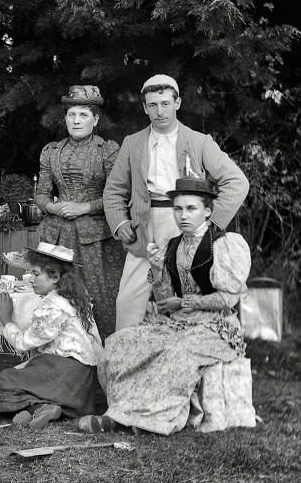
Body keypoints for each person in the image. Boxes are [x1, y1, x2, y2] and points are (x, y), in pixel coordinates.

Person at [80, 178, 253, 435]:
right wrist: (158, 270)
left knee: (173, 351)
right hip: (179, 323)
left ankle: (153, 419)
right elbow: (165, 301)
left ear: (208, 210)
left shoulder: (224, 244)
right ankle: (117, 413)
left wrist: (185, 302)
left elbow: (228, 299)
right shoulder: (173, 244)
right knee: (123, 340)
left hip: (218, 328)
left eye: (191, 209)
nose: (183, 216)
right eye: (178, 209)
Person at [103, 74, 248, 331]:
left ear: (177, 103)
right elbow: (114, 190)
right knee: (128, 301)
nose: (160, 111)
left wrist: (210, 223)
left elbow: (237, 182)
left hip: (183, 224)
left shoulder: (198, 141)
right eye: (153, 105)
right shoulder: (132, 143)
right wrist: (120, 222)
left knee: (179, 298)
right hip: (144, 227)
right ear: (145, 107)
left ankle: (177, 358)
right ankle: (123, 364)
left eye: (166, 103)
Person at [0, 243, 103, 431]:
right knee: (26, 379)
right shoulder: (78, 298)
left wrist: (6, 319)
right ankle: (43, 407)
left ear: (54, 277)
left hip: (62, 372)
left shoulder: (53, 305)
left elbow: (24, 343)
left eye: (36, 274)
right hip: (81, 384)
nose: (31, 279)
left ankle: (37, 406)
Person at [34, 85, 124, 337]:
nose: (76, 120)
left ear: (95, 120)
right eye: (71, 114)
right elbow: (41, 194)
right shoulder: (51, 151)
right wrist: (54, 207)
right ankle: (60, 358)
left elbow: (117, 193)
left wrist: (84, 207)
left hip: (93, 239)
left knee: (97, 297)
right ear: (65, 118)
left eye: (83, 115)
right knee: (57, 297)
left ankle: (101, 360)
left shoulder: (107, 150)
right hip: (57, 236)